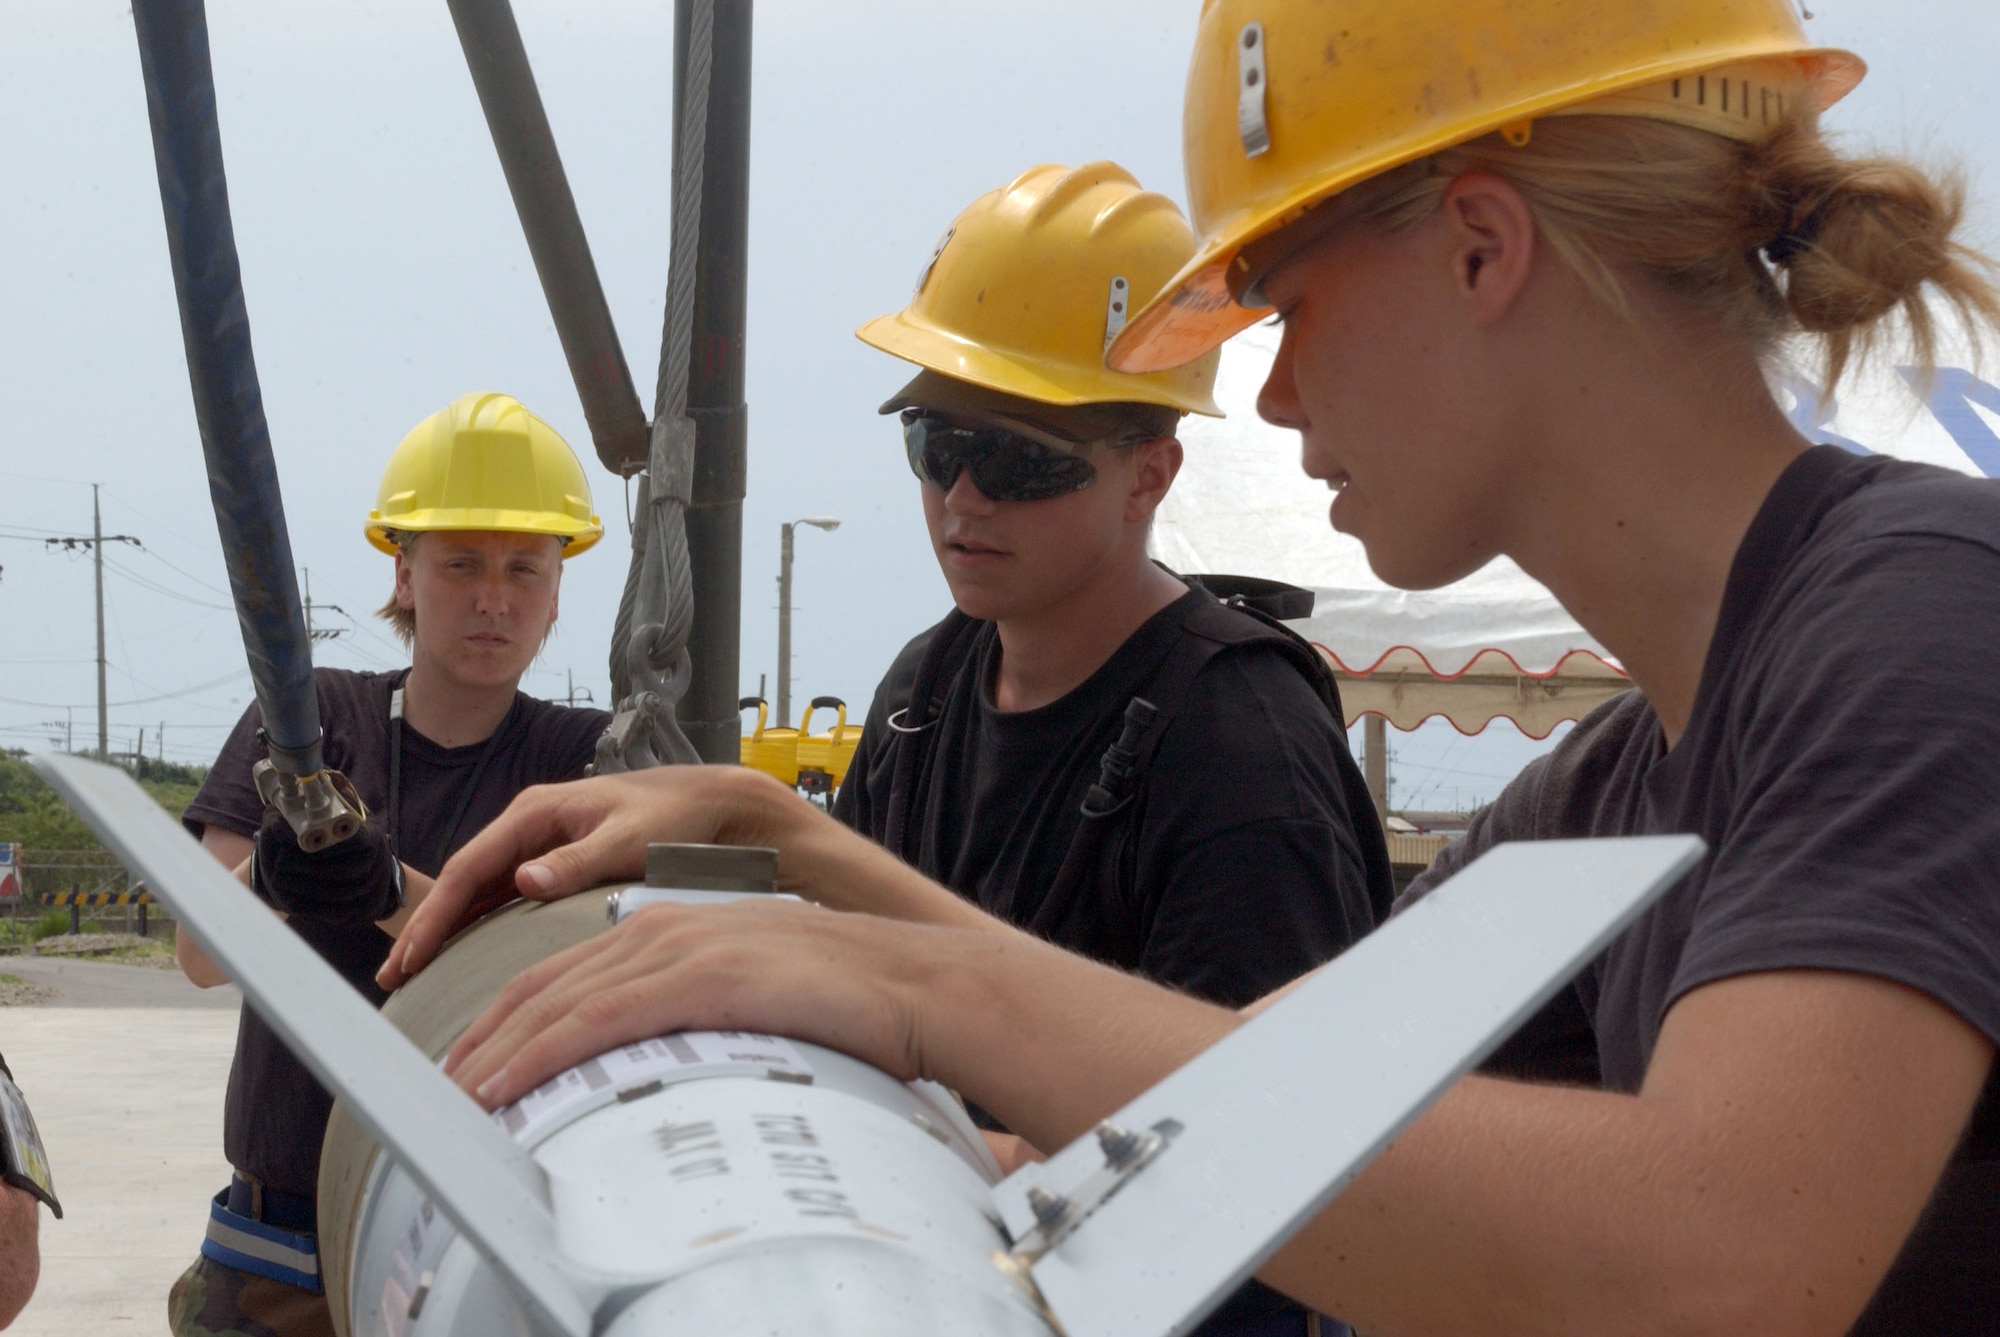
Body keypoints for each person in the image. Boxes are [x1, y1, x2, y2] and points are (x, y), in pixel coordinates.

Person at [390, 2, 2000, 1332]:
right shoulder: (1620, 789)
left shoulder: (1923, 621)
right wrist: (797, 840)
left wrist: (905, 983)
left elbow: (1725, 1261)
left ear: (1481, 251)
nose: (1278, 397)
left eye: (1288, 305)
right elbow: (1232, 1101)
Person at [848, 160, 1388, 1336]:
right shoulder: (922, 691)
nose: (964, 496)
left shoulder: (1236, 742)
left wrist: (931, 1162)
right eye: (936, 443)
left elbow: (1249, 1144)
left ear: (1152, 470)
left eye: (1024, 458)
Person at [172, 392, 610, 1337]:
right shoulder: (310, 721)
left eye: (523, 569)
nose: (494, 597)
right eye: (461, 564)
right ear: (404, 571)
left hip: (481, 1254)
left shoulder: (586, 761)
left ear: (557, 589)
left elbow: (578, 966)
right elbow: (201, 950)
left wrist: (384, 889)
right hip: (278, 1257)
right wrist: (274, 882)